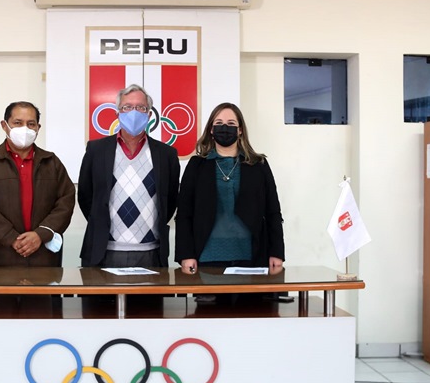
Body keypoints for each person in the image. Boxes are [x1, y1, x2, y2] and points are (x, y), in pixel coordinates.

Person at [175, 102, 284, 285]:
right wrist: (185, 255)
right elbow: (184, 214)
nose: (225, 128)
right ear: (211, 129)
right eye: (219, 123)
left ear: (240, 130)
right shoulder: (196, 166)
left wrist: (277, 252)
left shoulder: (258, 165)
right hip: (207, 258)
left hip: (252, 257)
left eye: (231, 124)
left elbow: (273, 212)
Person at [78, 84, 180, 268]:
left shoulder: (167, 154)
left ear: (149, 115)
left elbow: (170, 201)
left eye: (141, 107)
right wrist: (101, 225)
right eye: (127, 107)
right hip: (103, 252)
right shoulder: (96, 150)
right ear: (118, 113)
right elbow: (85, 196)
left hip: (151, 253)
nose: (134, 112)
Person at [0, 101, 75, 267]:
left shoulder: (51, 162)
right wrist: (11, 237)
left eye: (31, 124)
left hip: (44, 258)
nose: (25, 129)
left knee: (45, 285)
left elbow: (66, 202)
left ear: (38, 128)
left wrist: (41, 234)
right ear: (4, 125)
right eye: (18, 123)